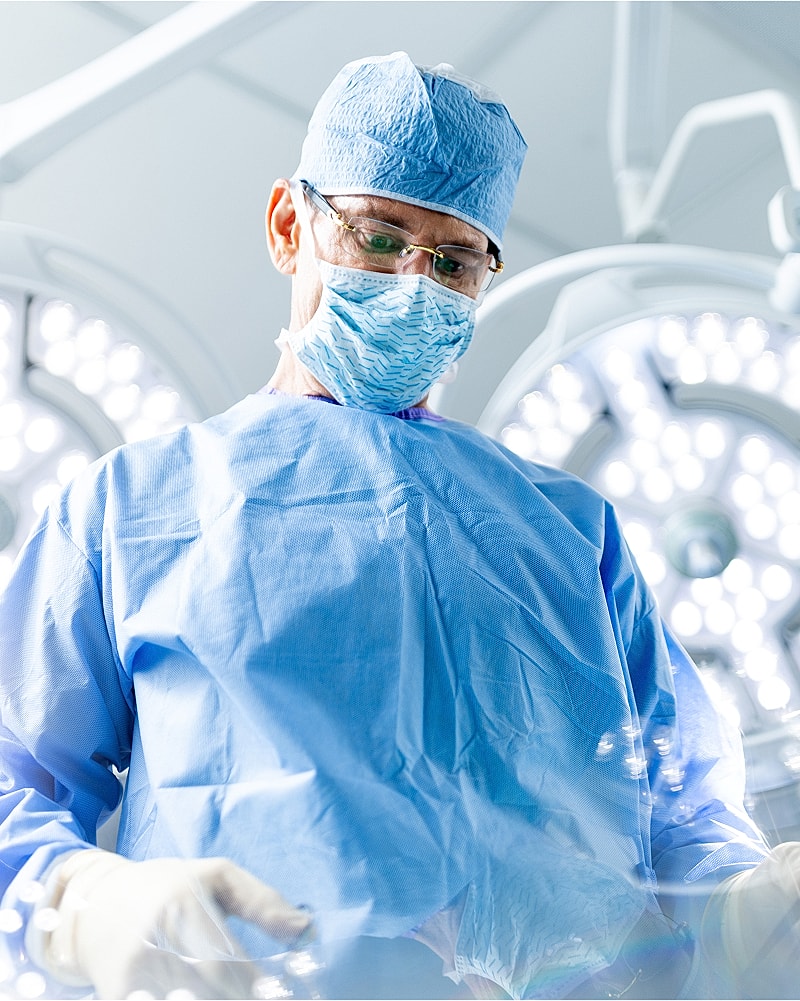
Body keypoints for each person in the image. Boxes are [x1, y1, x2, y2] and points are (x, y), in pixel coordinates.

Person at [0, 50, 795, 1001]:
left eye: (454, 260)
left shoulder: (573, 533)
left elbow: (685, 816)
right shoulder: (130, 509)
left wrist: (745, 908)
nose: (415, 282)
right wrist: (79, 900)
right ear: (289, 226)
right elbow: (14, 782)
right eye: (379, 239)